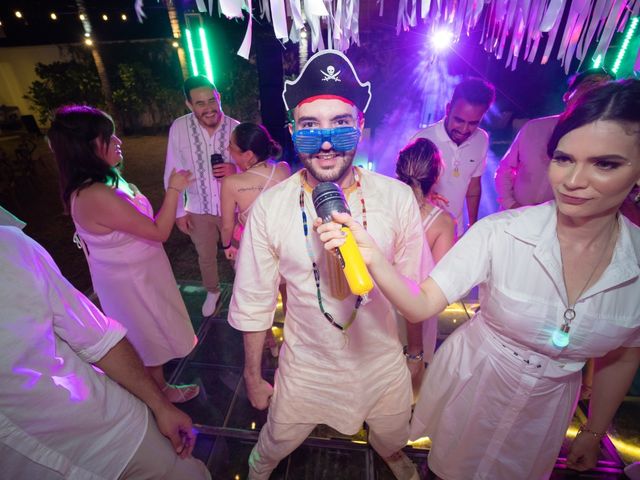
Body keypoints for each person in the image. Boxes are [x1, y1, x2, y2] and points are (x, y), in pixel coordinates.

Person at [317, 79, 640, 479]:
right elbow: (421, 304)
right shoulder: (498, 233)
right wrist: (373, 257)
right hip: (478, 383)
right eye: (563, 158)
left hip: (547, 410)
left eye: (605, 163)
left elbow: (624, 353)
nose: (574, 181)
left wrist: (593, 430)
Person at [228, 50, 426, 480]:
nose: (325, 142)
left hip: (381, 362)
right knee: (277, 438)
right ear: (293, 131)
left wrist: (415, 354)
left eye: (340, 124)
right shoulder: (270, 208)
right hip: (307, 366)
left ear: (359, 128)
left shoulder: (397, 198)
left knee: (393, 432)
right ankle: (259, 467)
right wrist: (253, 374)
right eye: (309, 126)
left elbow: (415, 290)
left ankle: (390, 453)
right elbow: (253, 300)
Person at [0, 225, 210, 480]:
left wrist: (160, 406)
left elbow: (99, 340)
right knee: (149, 333)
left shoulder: (8, 247)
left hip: (117, 431)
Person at [48, 105, 199, 404]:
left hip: (141, 271)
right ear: (89, 147)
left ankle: (159, 392)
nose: (119, 142)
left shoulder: (106, 181)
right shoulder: (95, 194)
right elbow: (158, 232)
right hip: (130, 281)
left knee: (152, 332)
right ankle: (158, 400)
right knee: (146, 337)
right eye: (109, 136)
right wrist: (173, 191)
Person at [165, 75, 240, 317]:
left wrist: (234, 170)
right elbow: (172, 170)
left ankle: (244, 292)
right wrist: (178, 211)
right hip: (198, 206)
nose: (208, 108)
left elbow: (253, 166)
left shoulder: (235, 127)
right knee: (205, 255)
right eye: (200, 103)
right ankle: (212, 291)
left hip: (234, 209)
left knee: (240, 253)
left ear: (219, 97)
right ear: (189, 104)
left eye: (211, 100)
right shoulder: (179, 128)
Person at [495, 68, 614, 210]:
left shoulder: (605, 143)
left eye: (605, 87)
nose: (597, 89)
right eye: (591, 82)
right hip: (513, 216)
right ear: (567, 95)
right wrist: (511, 206)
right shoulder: (534, 128)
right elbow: (505, 170)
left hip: (560, 225)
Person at [220, 122, 291, 356]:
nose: (228, 150)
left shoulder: (231, 184)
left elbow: (227, 225)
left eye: (232, 147)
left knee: (260, 301)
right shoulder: (283, 169)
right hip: (284, 246)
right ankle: (293, 341)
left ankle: (269, 343)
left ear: (248, 154)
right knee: (288, 295)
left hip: (253, 250)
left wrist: (227, 246)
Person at [395, 138, 456, 395]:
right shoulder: (442, 222)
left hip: (373, 311)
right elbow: (433, 289)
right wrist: (416, 353)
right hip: (413, 321)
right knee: (406, 395)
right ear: (437, 173)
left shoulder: (379, 208)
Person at [411, 77, 495, 236]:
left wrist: (473, 226)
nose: (464, 129)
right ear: (448, 109)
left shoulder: (481, 139)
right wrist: (425, 196)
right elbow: (403, 189)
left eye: (473, 123)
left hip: (456, 229)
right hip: (421, 230)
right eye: (459, 120)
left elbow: (473, 187)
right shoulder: (423, 140)